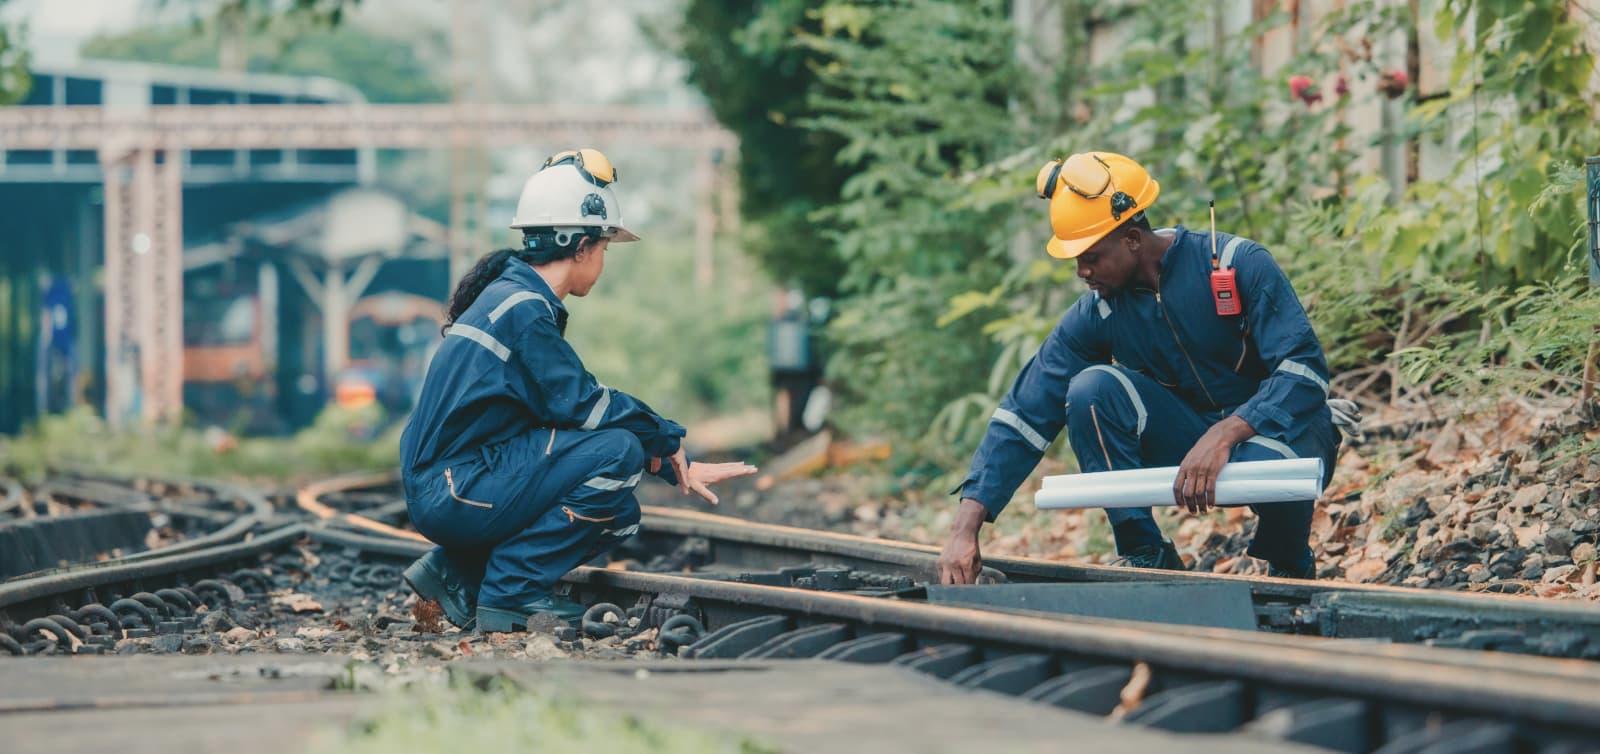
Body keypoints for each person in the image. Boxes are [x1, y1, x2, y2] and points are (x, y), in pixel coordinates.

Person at [938, 151, 1339, 584]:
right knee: (1092, 388)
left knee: (1278, 463)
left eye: (1090, 256)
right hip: (1185, 439)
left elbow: (1304, 370)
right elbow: (1025, 412)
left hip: (1272, 436)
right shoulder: (1099, 312)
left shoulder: (1237, 263)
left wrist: (1226, 433)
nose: (1081, 271)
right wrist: (965, 526)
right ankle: (1145, 552)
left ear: (1131, 238)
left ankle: (1289, 562)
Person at [399, 148, 757, 632]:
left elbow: (554, 418)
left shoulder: (509, 298)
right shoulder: (523, 309)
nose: (603, 260)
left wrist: (664, 463)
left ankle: (457, 572)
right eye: (605, 248)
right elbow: (585, 405)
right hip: (455, 490)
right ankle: (511, 595)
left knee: (619, 512)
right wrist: (665, 439)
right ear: (582, 246)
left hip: (453, 485)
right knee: (618, 450)